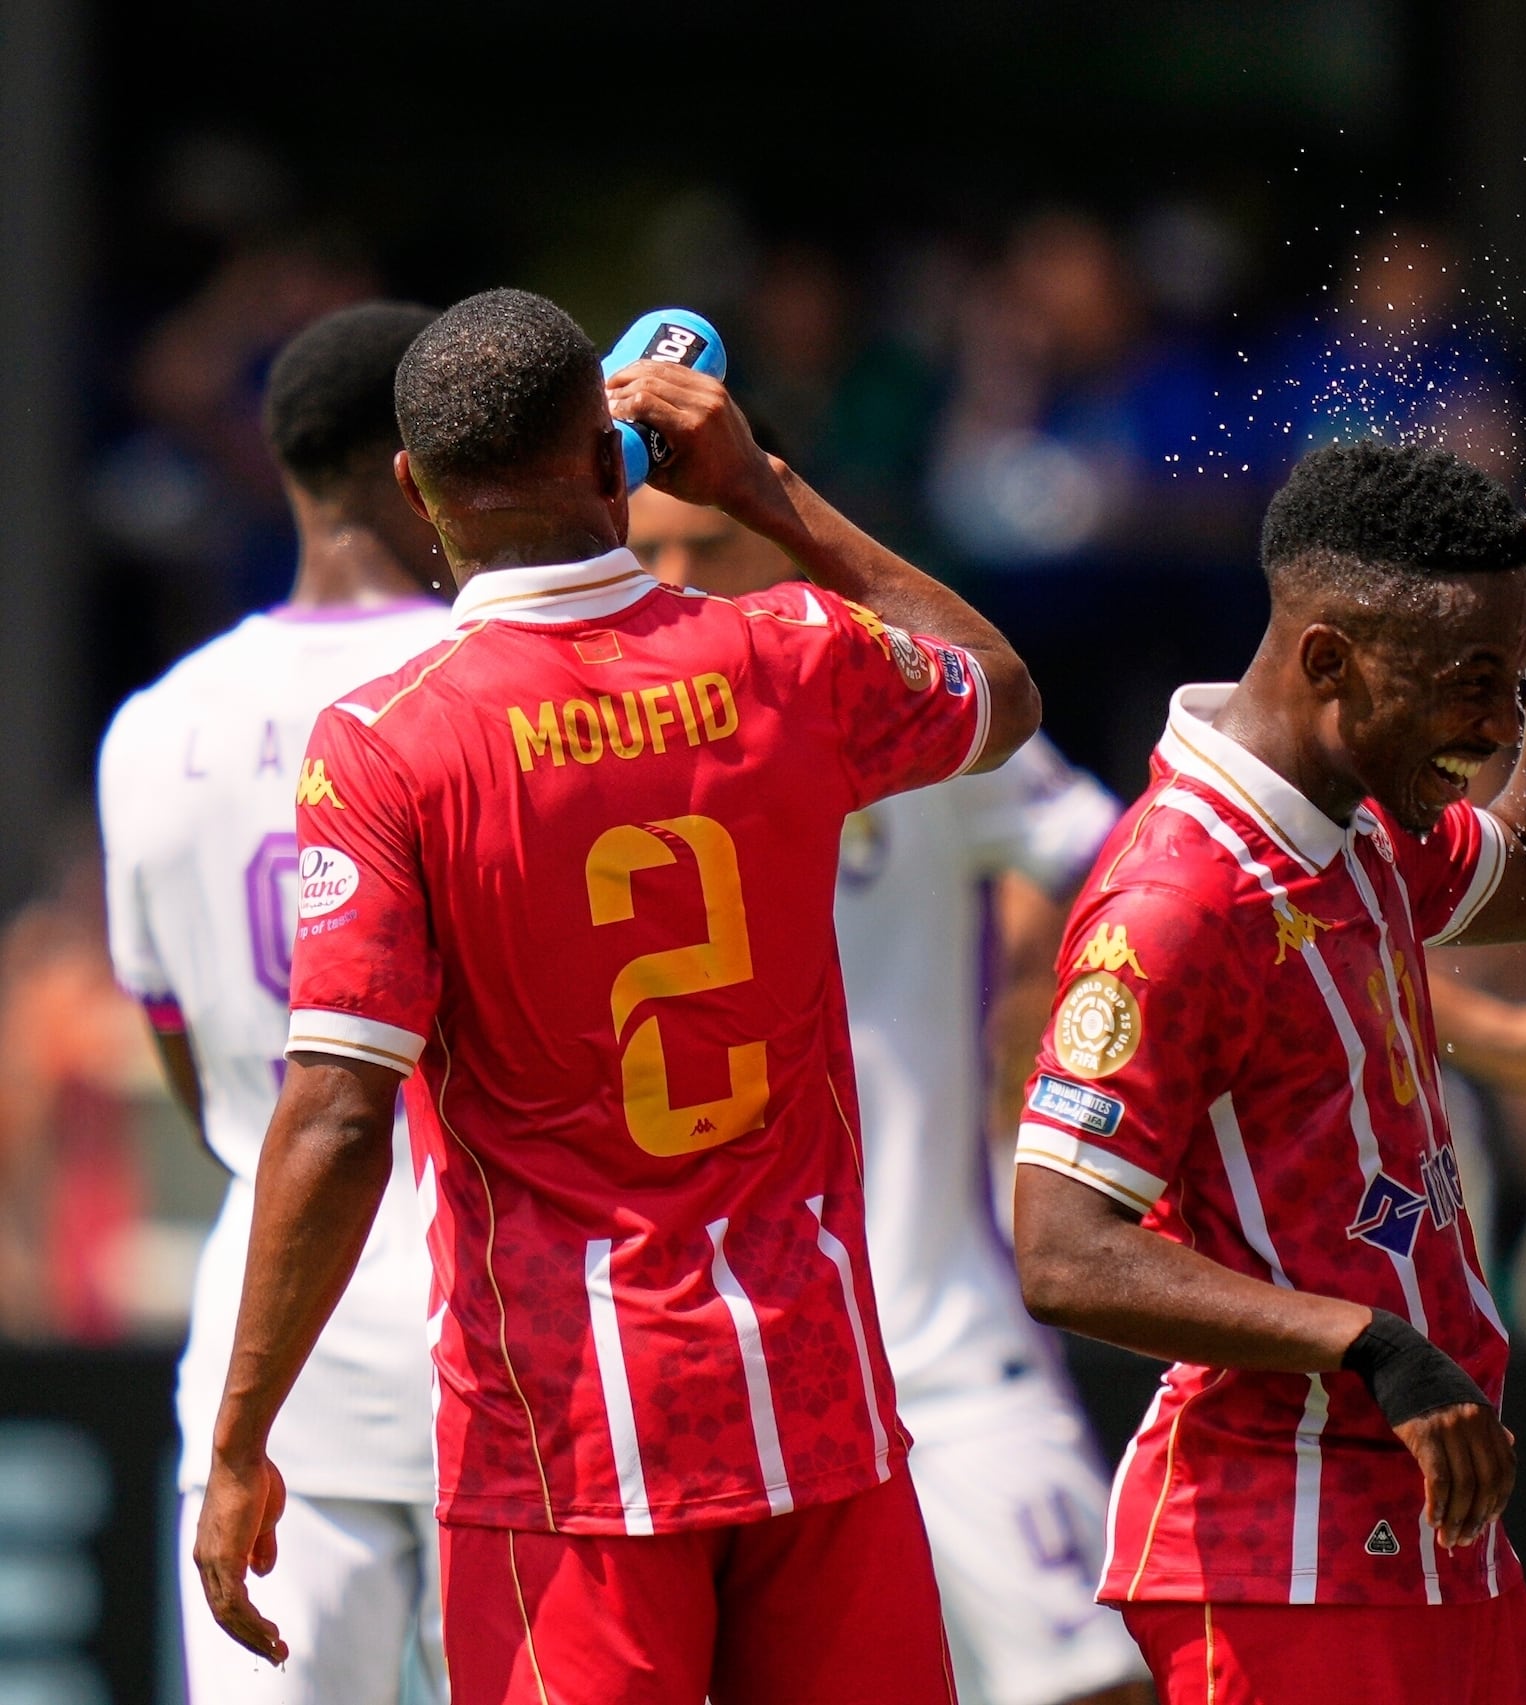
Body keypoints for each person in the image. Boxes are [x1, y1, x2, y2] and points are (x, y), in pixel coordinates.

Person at [190, 286, 1040, 1704]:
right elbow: (1001, 691)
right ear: (616, 466)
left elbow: (341, 1117)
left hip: (571, 1448)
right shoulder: (788, 654)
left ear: (415, 490)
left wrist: (238, 1437)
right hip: (815, 1402)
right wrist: (768, 491)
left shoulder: (393, 744)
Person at [1007, 441, 1526, 1705]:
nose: (1497, 727)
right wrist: (1369, 1343)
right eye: (1471, 685)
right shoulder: (1175, 899)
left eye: (1509, 683)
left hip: (1433, 1523)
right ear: (1329, 659)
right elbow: (1062, 1248)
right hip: (1274, 1552)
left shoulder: (1359, 816)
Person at [625, 482, 1151, 1705]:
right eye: (649, 549)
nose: (683, 575)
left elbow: (1108, 859)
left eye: (711, 541)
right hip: (707, 1344)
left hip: (930, 1319)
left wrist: (1054, 1000)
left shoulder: (884, 691)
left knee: (1093, 1680)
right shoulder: (586, 733)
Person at [99, 301, 454, 1705]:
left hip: (272, 1338)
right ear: (412, 462)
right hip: (497, 1326)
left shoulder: (154, 725)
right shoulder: (484, 687)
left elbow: (182, 1055)